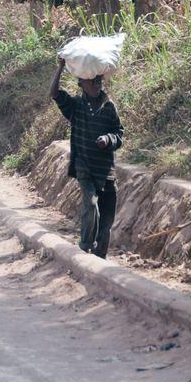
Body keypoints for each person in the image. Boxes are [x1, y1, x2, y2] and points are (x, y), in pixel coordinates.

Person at [49, 56, 124, 259]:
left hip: (106, 170)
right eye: (93, 81)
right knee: (91, 205)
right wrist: (61, 67)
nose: (97, 84)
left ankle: (100, 258)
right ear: (82, 84)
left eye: (99, 80)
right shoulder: (75, 106)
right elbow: (54, 93)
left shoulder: (109, 107)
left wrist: (108, 139)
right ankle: (84, 247)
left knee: (107, 220)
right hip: (85, 168)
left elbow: (119, 133)